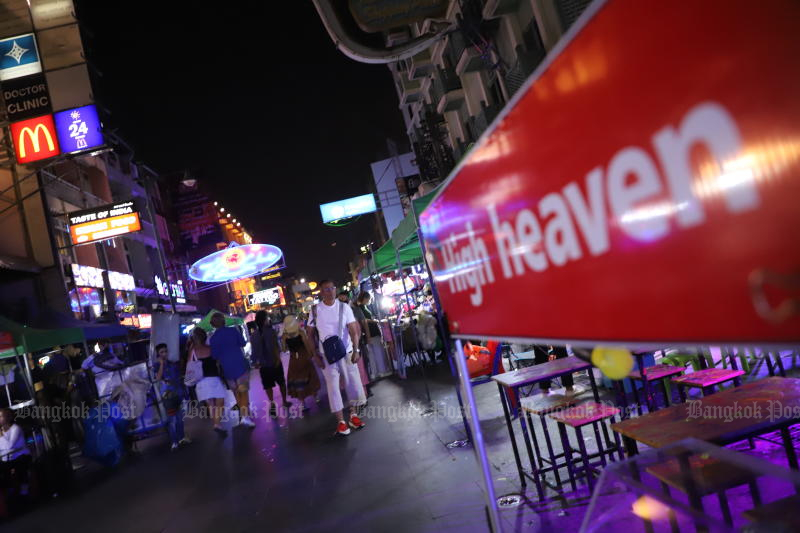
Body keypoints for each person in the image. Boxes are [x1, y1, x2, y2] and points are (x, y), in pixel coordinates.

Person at [307, 280, 367, 436]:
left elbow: (354, 330)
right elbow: (310, 334)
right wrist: (315, 356)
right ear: (321, 292)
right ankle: (341, 421)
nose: (330, 291)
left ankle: (353, 415)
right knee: (333, 387)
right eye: (326, 289)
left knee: (351, 384)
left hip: (346, 351)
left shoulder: (344, 307)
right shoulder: (315, 310)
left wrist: (356, 349)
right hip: (326, 355)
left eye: (332, 288)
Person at [209, 313, 255, 428]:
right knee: (243, 391)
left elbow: (214, 356)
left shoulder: (213, 338)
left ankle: (243, 415)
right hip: (240, 365)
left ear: (213, 324)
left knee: (236, 392)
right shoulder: (233, 331)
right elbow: (243, 343)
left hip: (227, 369)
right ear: (224, 321)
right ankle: (245, 417)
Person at [188, 327, 227, 435]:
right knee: (220, 400)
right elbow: (217, 360)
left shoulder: (193, 351)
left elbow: (189, 365)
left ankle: (217, 424)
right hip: (213, 378)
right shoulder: (209, 348)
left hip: (200, 382)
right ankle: (217, 423)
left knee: (210, 403)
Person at [251, 310, 288, 418]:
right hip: (274, 362)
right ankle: (284, 401)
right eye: (267, 318)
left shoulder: (254, 335)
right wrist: (277, 359)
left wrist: (255, 362)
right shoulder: (271, 331)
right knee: (281, 382)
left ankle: (272, 403)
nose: (269, 320)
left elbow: (254, 352)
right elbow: (276, 347)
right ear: (264, 320)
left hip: (263, 365)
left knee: (268, 386)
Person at [154, 343, 190, 451]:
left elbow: (179, 378)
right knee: (172, 419)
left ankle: (181, 438)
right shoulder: (156, 366)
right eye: (161, 352)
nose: (164, 354)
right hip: (167, 396)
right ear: (158, 354)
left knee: (179, 418)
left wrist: (184, 393)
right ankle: (174, 442)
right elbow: (158, 378)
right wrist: (161, 364)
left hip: (178, 393)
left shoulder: (173, 364)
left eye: (165, 351)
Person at [281, 315, 321, 412]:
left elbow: (284, 349)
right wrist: (312, 355)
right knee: (310, 376)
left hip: (293, 360)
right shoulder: (301, 333)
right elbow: (307, 345)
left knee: (298, 381)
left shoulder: (284, 336)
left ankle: (303, 403)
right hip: (304, 357)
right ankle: (315, 397)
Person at [353, 292, 391, 379]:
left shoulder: (359, 307)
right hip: (371, 333)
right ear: (365, 298)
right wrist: (374, 321)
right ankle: (382, 371)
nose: (369, 301)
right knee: (378, 352)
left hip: (368, 334)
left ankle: (374, 373)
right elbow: (364, 320)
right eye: (369, 299)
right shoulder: (361, 308)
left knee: (372, 355)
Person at [0, 408, 32, 498]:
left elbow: (9, 445)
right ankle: (9, 492)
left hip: (21, 456)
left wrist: (1, 435)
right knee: (3, 469)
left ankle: (24, 493)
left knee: (20, 467)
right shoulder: (1, 431)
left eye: (1, 416)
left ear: (8, 417)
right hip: (8, 458)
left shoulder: (15, 428)